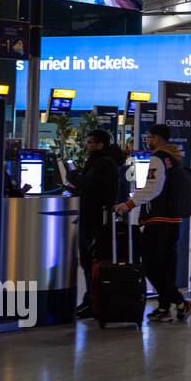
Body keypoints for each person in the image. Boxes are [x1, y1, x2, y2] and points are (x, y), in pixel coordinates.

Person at [115, 124, 191, 323]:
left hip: (158, 219)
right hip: (174, 219)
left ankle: (180, 301)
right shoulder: (174, 158)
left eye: (149, 137)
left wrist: (129, 204)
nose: (147, 140)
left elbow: (153, 188)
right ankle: (163, 308)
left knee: (150, 265)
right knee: (166, 266)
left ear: (157, 139)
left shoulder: (158, 158)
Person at [66, 130, 125, 318]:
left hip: (94, 219)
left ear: (100, 145)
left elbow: (89, 186)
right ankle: (92, 299)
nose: (87, 146)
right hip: (95, 216)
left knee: (90, 260)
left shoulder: (104, 163)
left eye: (90, 142)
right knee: (90, 261)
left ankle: (93, 301)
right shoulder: (104, 161)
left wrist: (73, 176)